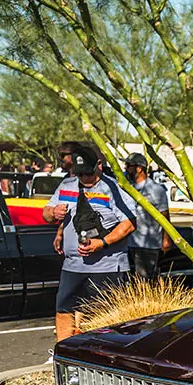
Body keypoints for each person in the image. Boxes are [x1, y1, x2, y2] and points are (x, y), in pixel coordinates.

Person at [42, 146, 136, 347]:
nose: (85, 178)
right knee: (64, 310)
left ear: (98, 166)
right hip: (72, 265)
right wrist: (54, 214)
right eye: (80, 174)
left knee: (105, 315)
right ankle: (64, 351)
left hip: (107, 266)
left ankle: (102, 354)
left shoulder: (114, 188)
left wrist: (102, 243)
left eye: (88, 173)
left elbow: (129, 223)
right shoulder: (66, 185)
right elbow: (46, 213)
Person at [123, 152, 172, 280]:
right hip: (130, 242)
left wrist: (166, 239)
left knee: (145, 281)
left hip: (149, 244)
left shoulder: (156, 189)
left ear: (139, 168)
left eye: (128, 165)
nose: (125, 168)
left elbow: (164, 215)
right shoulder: (128, 188)